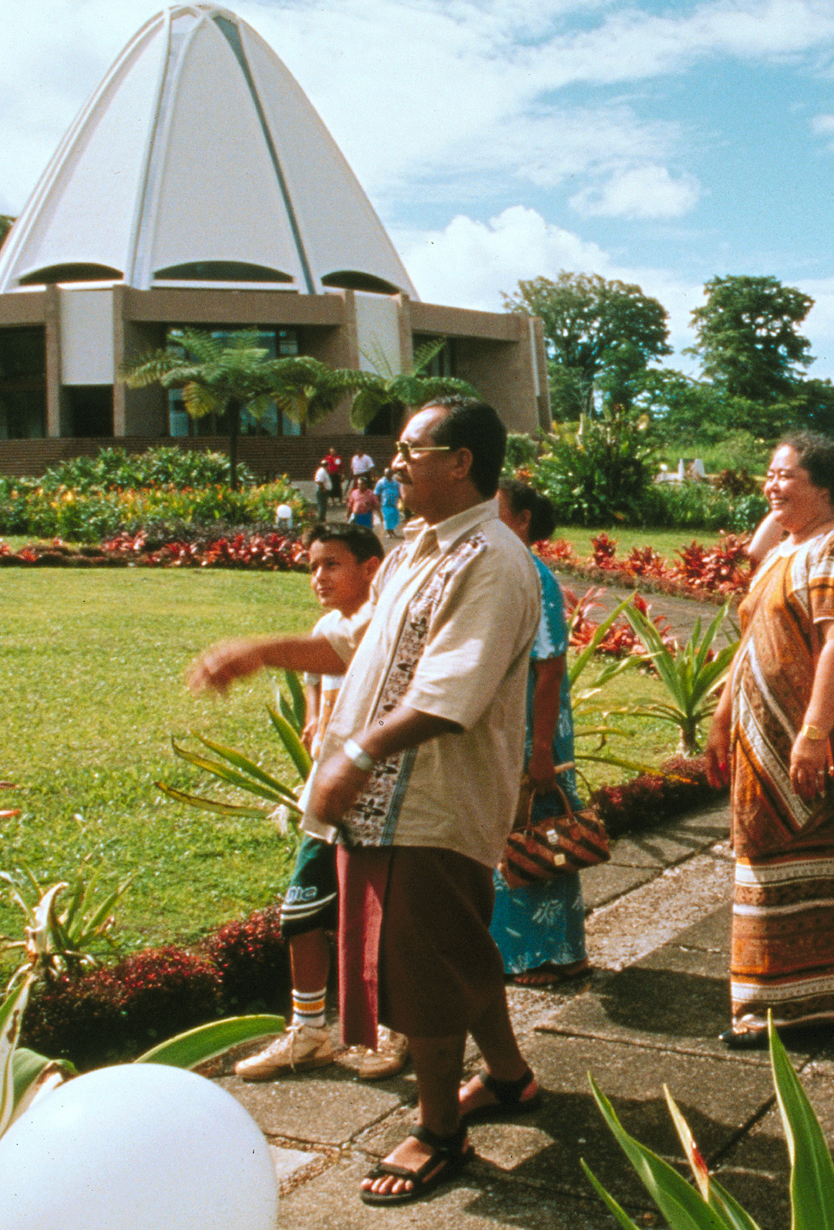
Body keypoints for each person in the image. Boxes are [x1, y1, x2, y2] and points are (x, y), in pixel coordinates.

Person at [187, 398, 542, 1206]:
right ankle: (512, 1080)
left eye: (409, 450)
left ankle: (440, 1131)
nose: (393, 465)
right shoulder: (420, 545)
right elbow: (353, 643)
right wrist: (258, 651)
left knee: (420, 962)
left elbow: (454, 689)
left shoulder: (490, 559)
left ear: (459, 461)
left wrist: (357, 752)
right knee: (456, 946)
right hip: (383, 796)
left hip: (434, 799)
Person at [706, 433, 834, 1046]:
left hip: (805, 737)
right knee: (763, 852)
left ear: (824, 486)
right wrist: (720, 717)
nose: (771, 486)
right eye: (769, 474)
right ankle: (774, 1001)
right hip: (761, 739)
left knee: (806, 853)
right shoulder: (790, 549)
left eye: (786, 476)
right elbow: (749, 640)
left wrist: (815, 732)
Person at [232, 523, 392, 1082]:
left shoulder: (384, 625)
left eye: (332, 565)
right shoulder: (329, 626)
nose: (318, 578)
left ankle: (394, 1032)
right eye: (312, 567)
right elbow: (318, 708)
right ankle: (309, 1030)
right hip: (328, 800)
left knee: (381, 917)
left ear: (371, 568)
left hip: (380, 795)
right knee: (300, 912)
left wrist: (252, 653)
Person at [490, 477, 590, 986]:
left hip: (535, 728)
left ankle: (540, 956)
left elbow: (548, 670)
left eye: (496, 508)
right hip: (522, 726)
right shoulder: (513, 569)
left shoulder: (532, 576)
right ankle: (558, 951)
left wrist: (542, 749)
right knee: (539, 837)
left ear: (522, 520)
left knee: (534, 833)